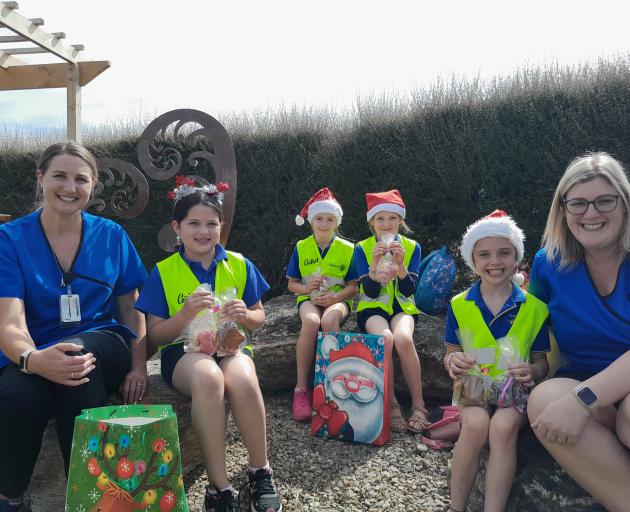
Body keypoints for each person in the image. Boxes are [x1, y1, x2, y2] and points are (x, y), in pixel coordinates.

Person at [0, 142, 148, 512]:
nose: (70, 186)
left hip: (104, 340)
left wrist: (139, 364)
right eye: (59, 176)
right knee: (18, 396)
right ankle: (10, 498)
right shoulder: (9, 240)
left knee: (78, 362)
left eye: (81, 179)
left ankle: (89, 501)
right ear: (40, 178)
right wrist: (32, 360)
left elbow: (132, 309)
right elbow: (10, 321)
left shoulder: (112, 235)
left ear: (92, 184)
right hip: (36, 347)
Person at [135, 177, 282, 512]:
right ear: (177, 227)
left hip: (231, 347)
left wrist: (246, 314)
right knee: (208, 378)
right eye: (193, 223)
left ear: (222, 226)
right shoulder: (163, 271)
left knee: (243, 377)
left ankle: (260, 471)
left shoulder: (239, 264)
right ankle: (220, 487)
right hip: (183, 355)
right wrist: (186, 312)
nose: (203, 231)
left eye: (211, 224)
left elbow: (260, 316)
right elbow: (156, 336)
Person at [527, 152, 630, 511]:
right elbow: (529, 328)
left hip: (603, 393)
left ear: (624, 204)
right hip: (585, 380)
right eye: (578, 203)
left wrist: (581, 401)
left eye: (604, 200)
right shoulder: (547, 264)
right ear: (562, 209)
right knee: (543, 402)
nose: (590, 214)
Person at [444, 210, 549, 512]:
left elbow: (542, 364)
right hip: (474, 391)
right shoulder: (459, 305)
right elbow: (449, 355)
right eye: (485, 254)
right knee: (475, 425)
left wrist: (532, 370)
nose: (495, 262)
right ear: (473, 260)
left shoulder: (534, 308)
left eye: (504, 253)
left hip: (513, 394)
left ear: (517, 257)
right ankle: (456, 506)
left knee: (503, 428)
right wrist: (453, 363)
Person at [352, 189, 429, 433]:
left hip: (402, 306)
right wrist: (374, 265)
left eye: (393, 218)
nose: (386, 224)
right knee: (384, 339)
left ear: (401, 221)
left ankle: (419, 406)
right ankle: (392, 404)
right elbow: (371, 292)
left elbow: (409, 289)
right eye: (380, 219)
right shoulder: (361, 248)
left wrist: (400, 264)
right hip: (372, 308)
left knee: (403, 338)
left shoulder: (412, 246)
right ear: (372, 222)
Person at [287, 187, 358, 421]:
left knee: (328, 320)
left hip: (337, 300)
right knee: (311, 321)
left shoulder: (349, 249)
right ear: (311, 221)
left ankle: (334, 389)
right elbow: (292, 284)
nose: (324, 223)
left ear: (337, 223)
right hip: (309, 299)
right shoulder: (301, 247)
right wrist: (307, 289)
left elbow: (353, 286)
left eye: (330, 219)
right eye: (319, 218)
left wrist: (335, 298)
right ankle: (300, 390)